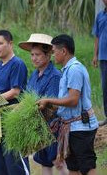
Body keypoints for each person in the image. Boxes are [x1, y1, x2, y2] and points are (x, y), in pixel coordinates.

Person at [38, 34, 99, 175]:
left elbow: (73, 100)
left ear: (64, 51)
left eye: (54, 52)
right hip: (70, 127)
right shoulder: (66, 70)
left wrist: (49, 100)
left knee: (87, 166)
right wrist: (50, 107)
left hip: (81, 127)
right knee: (73, 166)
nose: (53, 56)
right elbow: (66, 101)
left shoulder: (74, 69)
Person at [19, 33, 68, 175]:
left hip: (53, 127)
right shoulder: (34, 74)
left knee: (57, 162)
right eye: (32, 55)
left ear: (48, 55)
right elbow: (28, 97)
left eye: (38, 55)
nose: (34, 58)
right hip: (38, 127)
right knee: (44, 162)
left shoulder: (54, 76)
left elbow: (52, 105)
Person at [0, 30, 29, 175]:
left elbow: (15, 92)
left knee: (15, 164)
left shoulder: (17, 64)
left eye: (0, 43)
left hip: (13, 118)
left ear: (10, 44)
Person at [92, 0, 107, 126]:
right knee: (105, 87)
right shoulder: (100, 16)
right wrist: (95, 55)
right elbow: (96, 36)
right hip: (103, 57)